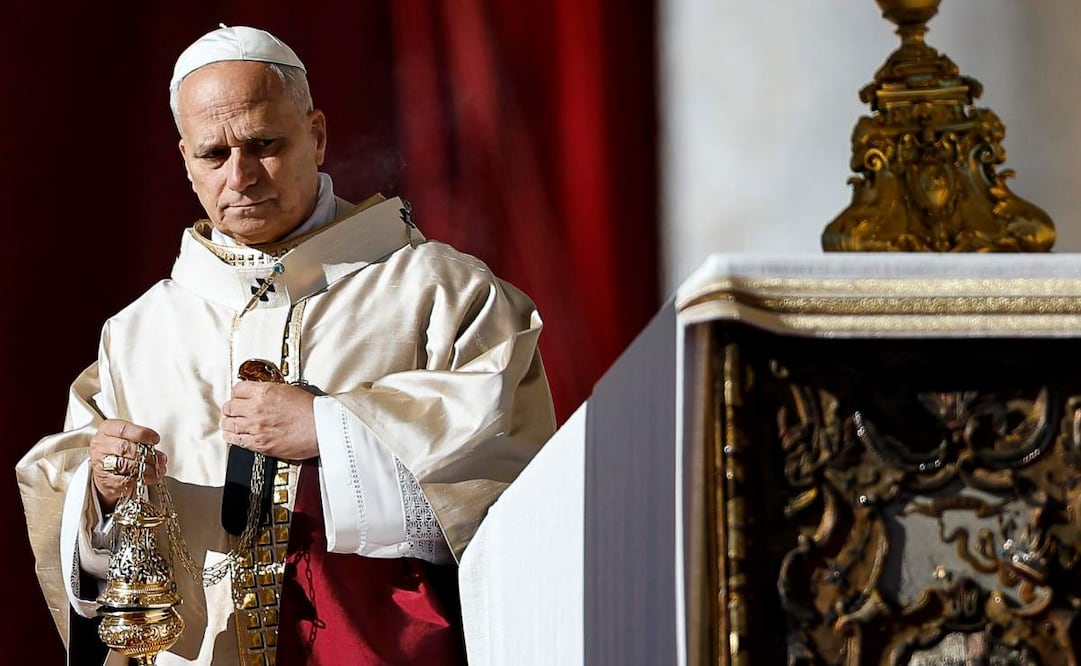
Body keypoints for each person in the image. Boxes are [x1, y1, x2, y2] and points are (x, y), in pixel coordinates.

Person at [16, 24, 556, 665]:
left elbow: (516, 482)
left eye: (264, 144)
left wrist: (333, 429)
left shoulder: (440, 291)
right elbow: (70, 515)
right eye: (213, 155)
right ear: (184, 159)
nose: (240, 176)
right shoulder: (138, 333)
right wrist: (100, 494)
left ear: (317, 135)